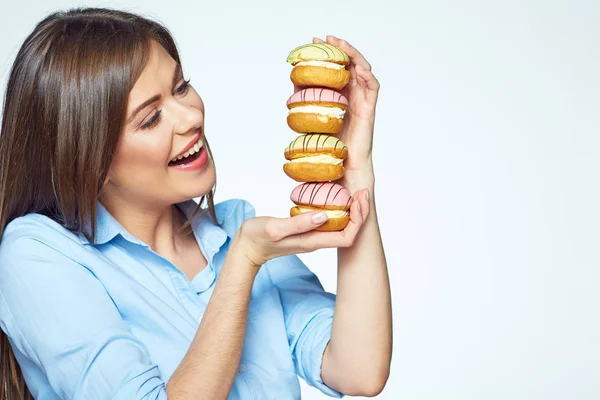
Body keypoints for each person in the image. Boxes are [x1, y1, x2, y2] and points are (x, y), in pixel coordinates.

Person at [0, 7, 392, 400]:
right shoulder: (37, 254)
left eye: (181, 86)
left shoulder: (236, 226)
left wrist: (355, 168)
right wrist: (242, 265)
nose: (190, 116)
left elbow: (359, 370)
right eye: (151, 118)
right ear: (89, 159)